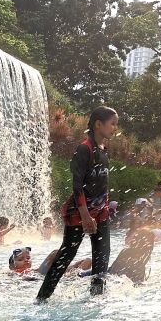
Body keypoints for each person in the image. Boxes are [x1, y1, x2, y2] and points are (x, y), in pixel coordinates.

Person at [36, 106, 116, 302]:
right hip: (79, 213)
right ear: (99, 124)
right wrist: (85, 215)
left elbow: (102, 185)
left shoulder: (104, 150)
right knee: (67, 255)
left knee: (102, 255)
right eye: (112, 124)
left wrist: (102, 211)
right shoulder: (84, 149)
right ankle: (42, 298)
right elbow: (77, 185)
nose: (115, 128)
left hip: (100, 212)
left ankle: (97, 297)